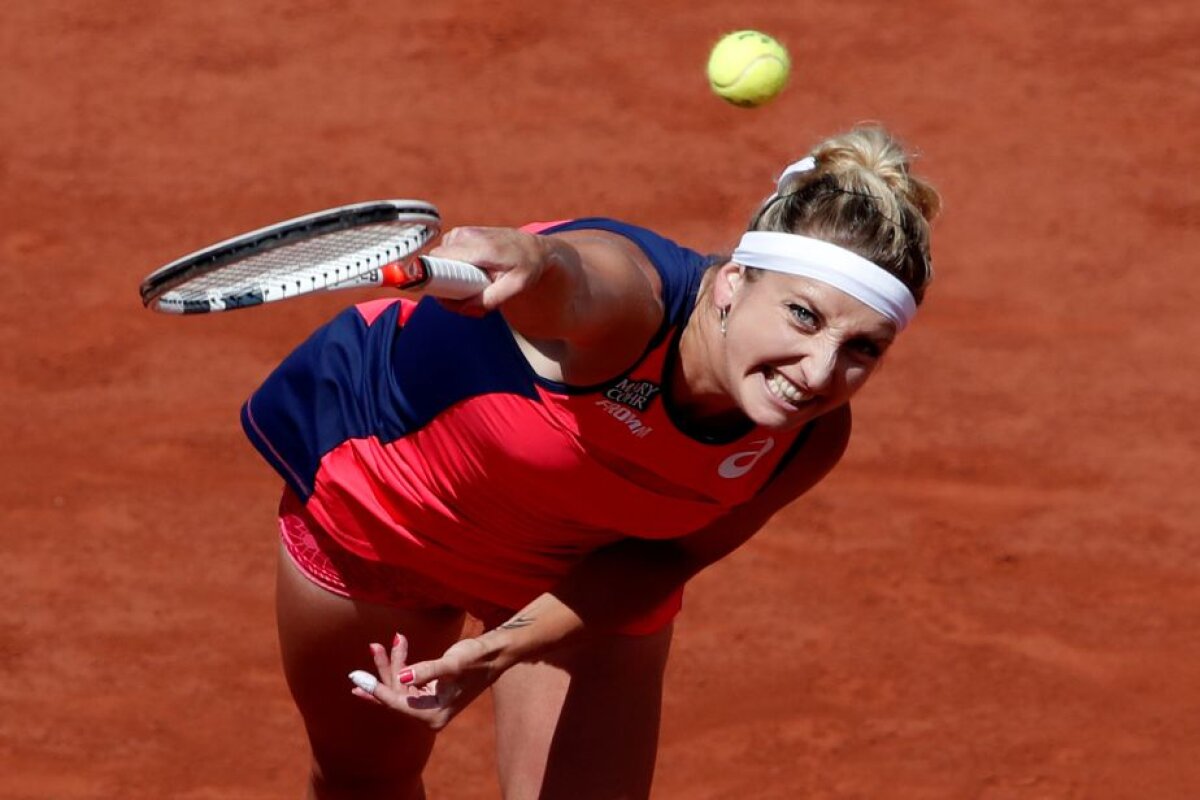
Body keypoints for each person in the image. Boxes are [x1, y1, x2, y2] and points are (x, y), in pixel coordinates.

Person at [240, 123, 940, 799]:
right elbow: (574, 278)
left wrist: (494, 652)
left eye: (864, 349)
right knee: (366, 780)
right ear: (732, 282)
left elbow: (659, 561)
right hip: (396, 496)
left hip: (571, 563)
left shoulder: (807, 441)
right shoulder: (632, 308)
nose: (820, 372)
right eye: (804, 316)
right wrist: (532, 260)